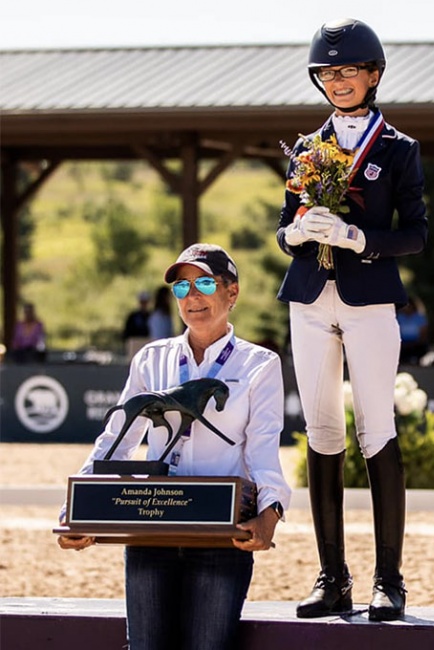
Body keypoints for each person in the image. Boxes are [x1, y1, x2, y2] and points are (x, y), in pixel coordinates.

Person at [57, 243, 291, 650]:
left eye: (203, 283)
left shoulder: (259, 365)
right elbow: (117, 440)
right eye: (182, 288)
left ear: (231, 293)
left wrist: (271, 512)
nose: (192, 297)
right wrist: (78, 508)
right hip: (151, 532)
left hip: (222, 538)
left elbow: (263, 446)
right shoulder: (151, 358)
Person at [276, 18, 428, 621]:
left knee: (375, 425)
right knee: (321, 429)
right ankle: (331, 575)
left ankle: (388, 579)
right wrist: (295, 231)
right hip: (310, 299)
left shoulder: (398, 150)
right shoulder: (308, 150)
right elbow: (284, 227)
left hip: (369, 298)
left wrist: (360, 237)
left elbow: (415, 234)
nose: (339, 81)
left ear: (373, 76)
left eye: (349, 71)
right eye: (329, 73)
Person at [397, 295, 429, 364]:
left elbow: (423, 333)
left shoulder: (419, 318)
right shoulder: (399, 317)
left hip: (416, 343)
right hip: (403, 343)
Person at [122, 290, 152, 357]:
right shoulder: (133, 316)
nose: (144, 304)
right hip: (135, 344)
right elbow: (127, 332)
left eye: (145, 302)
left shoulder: (151, 316)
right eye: (142, 302)